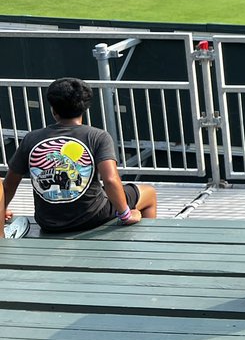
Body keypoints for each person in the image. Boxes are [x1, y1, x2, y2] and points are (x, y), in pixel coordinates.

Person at [2, 77, 158, 233]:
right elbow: (110, 180)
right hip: (92, 217)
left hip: (48, 222)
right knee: (149, 192)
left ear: (53, 109)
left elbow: (9, 184)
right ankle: (142, 242)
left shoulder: (31, 138)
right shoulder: (98, 136)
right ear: (85, 108)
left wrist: (1, 211)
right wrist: (126, 215)